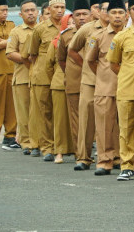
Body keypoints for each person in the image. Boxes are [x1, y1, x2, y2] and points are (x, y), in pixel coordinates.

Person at [69, 0, 114, 171]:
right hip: (90, 81)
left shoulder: (121, 30)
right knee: (86, 120)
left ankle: (115, 157)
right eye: (104, 9)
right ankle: (83, 158)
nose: (108, 13)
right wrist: (86, 65)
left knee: (113, 121)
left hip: (112, 81)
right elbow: (72, 50)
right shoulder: (88, 29)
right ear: (99, 11)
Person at [107, 0, 134, 181]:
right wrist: (128, 76)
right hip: (126, 90)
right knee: (126, 130)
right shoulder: (121, 37)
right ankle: (126, 165)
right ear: (129, 13)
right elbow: (114, 64)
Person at [87, 0, 127, 176]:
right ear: (107, 15)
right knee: (103, 127)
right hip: (105, 88)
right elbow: (90, 60)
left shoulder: (132, 35)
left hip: (128, 89)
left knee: (127, 127)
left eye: (120, 13)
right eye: (113, 13)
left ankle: (124, 160)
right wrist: (104, 77)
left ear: (126, 15)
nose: (117, 16)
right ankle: (104, 161)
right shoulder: (99, 36)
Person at [28, 0, 66, 162]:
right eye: (56, 7)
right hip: (42, 76)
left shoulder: (67, 27)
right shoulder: (40, 29)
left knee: (60, 113)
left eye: (62, 8)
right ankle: (47, 147)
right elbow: (32, 54)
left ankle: (61, 146)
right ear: (48, 9)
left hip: (61, 75)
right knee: (45, 112)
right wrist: (39, 71)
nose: (59, 11)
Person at [57, 0, 92, 154]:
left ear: (91, 15)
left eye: (85, 14)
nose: (81, 17)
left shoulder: (97, 32)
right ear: (73, 17)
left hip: (94, 82)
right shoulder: (65, 36)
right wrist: (71, 73)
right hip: (74, 82)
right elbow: (61, 60)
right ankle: (81, 153)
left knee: (93, 118)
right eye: (78, 15)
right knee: (76, 119)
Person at [5, 0, 38, 154]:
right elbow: (10, 53)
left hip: (40, 78)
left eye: (33, 10)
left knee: (39, 112)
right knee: (24, 113)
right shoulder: (16, 32)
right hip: (23, 78)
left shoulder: (42, 29)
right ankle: (26, 143)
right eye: (27, 11)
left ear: (37, 12)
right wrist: (28, 60)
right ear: (21, 14)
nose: (30, 13)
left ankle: (40, 142)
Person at [48, 14, 76, 163]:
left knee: (77, 119)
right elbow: (48, 64)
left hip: (77, 82)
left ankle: (78, 150)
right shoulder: (56, 42)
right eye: (69, 23)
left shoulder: (81, 38)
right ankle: (59, 151)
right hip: (59, 83)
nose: (72, 25)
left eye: (74, 23)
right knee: (60, 120)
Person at [0, 0, 17, 151]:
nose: (5, 13)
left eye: (6, 10)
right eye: (2, 10)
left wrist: (3, 42)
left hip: (11, 70)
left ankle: (10, 136)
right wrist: (9, 42)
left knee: (11, 106)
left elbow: (17, 42)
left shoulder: (12, 25)